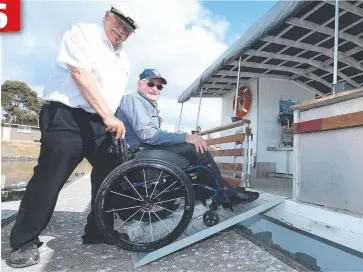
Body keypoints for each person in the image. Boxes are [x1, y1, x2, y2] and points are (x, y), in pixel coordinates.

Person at [8, 4, 139, 268]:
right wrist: (108, 116)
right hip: (67, 115)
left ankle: (99, 231)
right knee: (50, 177)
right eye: (119, 23)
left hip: (101, 121)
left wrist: (113, 119)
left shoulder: (122, 57)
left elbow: (112, 95)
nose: (121, 31)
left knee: (110, 174)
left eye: (128, 29)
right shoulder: (83, 33)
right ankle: (24, 241)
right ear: (107, 16)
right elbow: (79, 73)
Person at [115, 68, 259, 205]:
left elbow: (152, 134)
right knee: (196, 149)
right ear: (139, 84)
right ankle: (225, 192)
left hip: (144, 149)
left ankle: (212, 189)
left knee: (192, 149)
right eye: (151, 84)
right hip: (140, 153)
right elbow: (148, 134)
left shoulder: (145, 103)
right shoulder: (135, 100)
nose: (155, 89)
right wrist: (185, 137)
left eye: (159, 87)